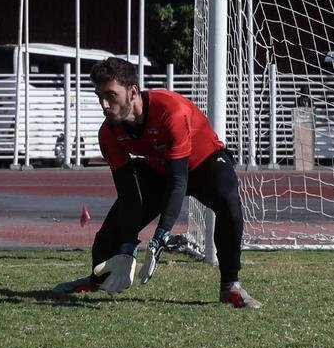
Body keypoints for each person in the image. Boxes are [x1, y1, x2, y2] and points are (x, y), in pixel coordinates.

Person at [53, 56, 260, 309]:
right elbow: (128, 193)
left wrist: (161, 235)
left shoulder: (171, 111)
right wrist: (127, 247)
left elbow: (178, 179)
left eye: (111, 95)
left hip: (203, 165)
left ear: (132, 92)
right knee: (110, 234)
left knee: (228, 200)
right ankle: (95, 281)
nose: (104, 105)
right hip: (161, 169)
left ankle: (230, 286)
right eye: (99, 97)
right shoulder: (108, 133)